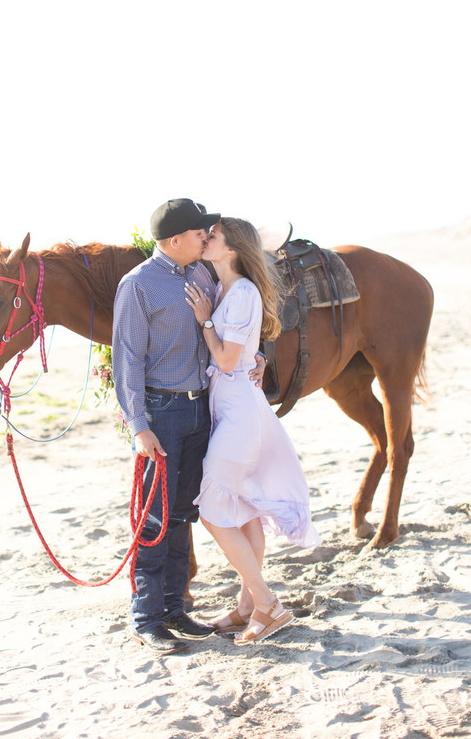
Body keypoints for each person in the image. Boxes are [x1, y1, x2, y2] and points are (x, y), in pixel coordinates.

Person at [112, 199, 266, 654]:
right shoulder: (138, 285)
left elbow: (231, 332)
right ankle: (147, 616)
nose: (206, 237)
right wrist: (139, 425)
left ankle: (176, 609)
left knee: (183, 514)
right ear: (175, 240)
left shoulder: (202, 274)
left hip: (203, 411)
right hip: (161, 413)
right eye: (199, 233)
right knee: (154, 516)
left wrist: (256, 358)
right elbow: (127, 359)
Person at [185, 216, 320, 645]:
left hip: (240, 413)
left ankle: (268, 604)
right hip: (232, 408)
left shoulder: (239, 292)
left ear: (233, 249)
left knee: (211, 508)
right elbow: (240, 355)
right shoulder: (225, 288)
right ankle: (247, 606)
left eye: (215, 236)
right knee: (242, 510)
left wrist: (206, 321)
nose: (207, 239)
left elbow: (225, 361)